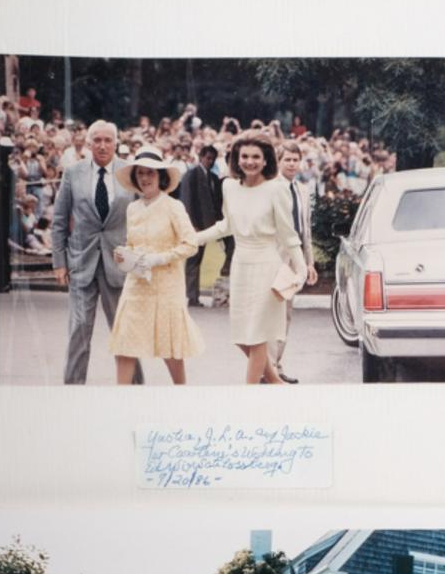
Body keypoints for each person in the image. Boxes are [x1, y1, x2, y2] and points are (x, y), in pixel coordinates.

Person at [194, 133, 307, 385]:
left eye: (256, 157)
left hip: (266, 266)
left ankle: (248, 394)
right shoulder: (229, 187)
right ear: (236, 159)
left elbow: (289, 235)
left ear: (266, 160)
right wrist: (195, 238)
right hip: (241, 266)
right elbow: (226, 225)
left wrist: (301, 270)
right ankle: (275, 383)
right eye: (244, 156)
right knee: (241, 336)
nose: (250, 162)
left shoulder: (277, 189)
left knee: (257, 336)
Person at [51, 119, 144, 385]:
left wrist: (140, 260)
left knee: (124, 330)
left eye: (108, 140)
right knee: (79, 328)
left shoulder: (130, 172)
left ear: (116, 143)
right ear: (88, 143)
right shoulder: (73, 173)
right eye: (97, 140)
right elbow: (59, 220)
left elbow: (142, 219)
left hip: (120, 265)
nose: (102, 146)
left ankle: (136, 389)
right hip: (82, 263)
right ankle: (73, 389)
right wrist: (59, 262)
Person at [110, 147, 204, 385]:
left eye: (150, 173)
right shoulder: (132, 208)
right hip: (136, 284)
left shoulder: (173, 206)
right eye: (140, 173)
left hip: (167, 286)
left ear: (161, 176)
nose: (145, 178)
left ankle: (181, 392)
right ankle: (119, 396)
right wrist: (124, 256)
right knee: (125, 341)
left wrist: (159, 258)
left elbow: (190, 244)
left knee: (169, 345)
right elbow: (132, 244)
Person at [273, 143, 318, 383]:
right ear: (279, 161)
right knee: (273, 314)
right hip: (275, 259)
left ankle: (276, 366)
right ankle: (267, 368)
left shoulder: (302, 189)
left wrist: (309, 262)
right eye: (287, 159)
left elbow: (305, 230)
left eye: (295, 160)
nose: (291, 164)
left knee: (286, 315)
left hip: (296, 260)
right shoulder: (272, 188)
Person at [179, 145, 224, 307]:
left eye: (213, 159)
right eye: (208, 158)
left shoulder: (213, 177)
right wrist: (192, 225)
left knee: (198, 260)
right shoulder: (190, 175)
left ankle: (193, 295)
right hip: (196, 225)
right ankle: (192, 296)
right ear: (201, 157)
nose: (210, 162)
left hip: (208, 226)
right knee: (193, 260)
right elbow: (187, 201)